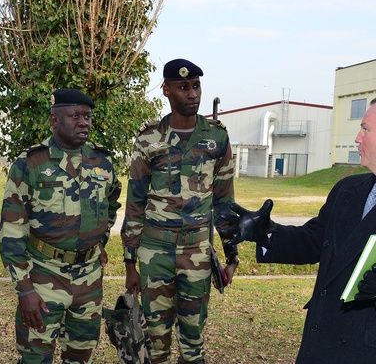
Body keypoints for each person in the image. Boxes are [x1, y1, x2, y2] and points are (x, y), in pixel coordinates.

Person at [220, 102, 376, 363]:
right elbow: (314, 241)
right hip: (321, 339)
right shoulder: (348, 189)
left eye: (365, 129)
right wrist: (266, 233)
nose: (357, 138)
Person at [120, 59, 239, 364]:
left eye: (196, 86)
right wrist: (130, 263)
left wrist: (231, 255)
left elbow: (224, 201)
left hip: (197, 251)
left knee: (193, 341)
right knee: (155, 344)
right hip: (154, 251)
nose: (192, 94)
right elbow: (135, 202)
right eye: (183, 87)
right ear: (167, 90)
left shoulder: (216, 137)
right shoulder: (149, 138)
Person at [0, 88, 122, 363]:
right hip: (43, 276)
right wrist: (25, 289)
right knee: (35, 357)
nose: (84, 122)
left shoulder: (102, 161)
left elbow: (112, 201)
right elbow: (11, 231)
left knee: (81, 356)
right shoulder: (30, 164)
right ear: (54, 121)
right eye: (75, 116)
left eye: (87, 117)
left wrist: (100, 241)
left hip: (89, 279)